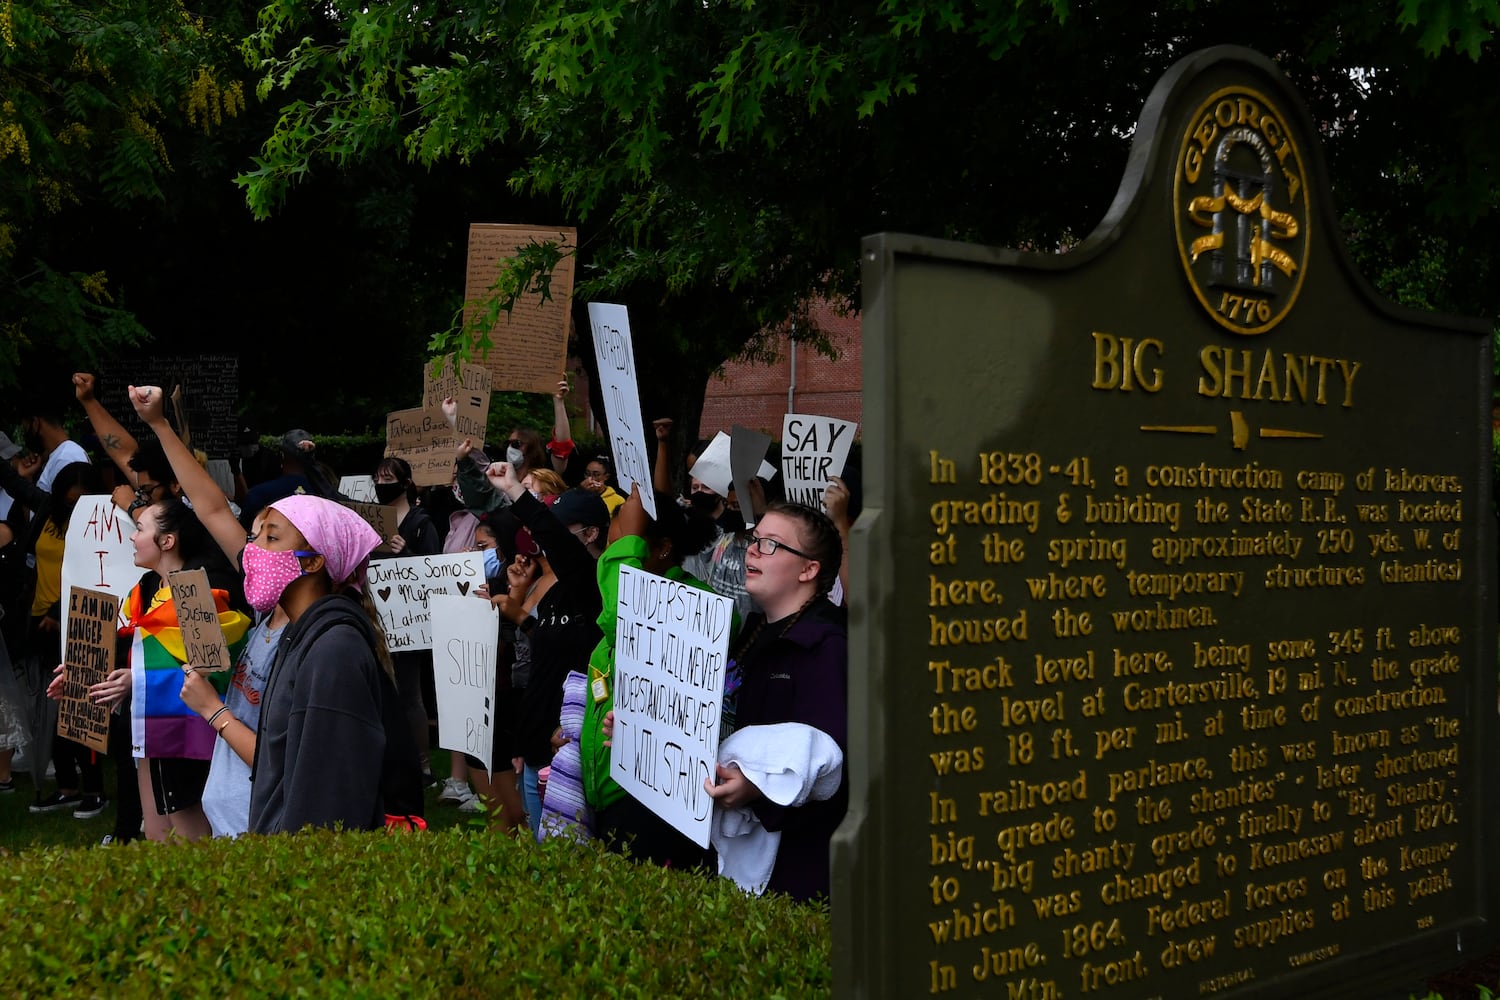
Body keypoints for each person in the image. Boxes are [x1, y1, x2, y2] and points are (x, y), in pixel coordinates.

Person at [128, 384, 420, 834]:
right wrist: (159, 424)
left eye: (271, 537)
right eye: (255, 534)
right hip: (239, 822)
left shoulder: (326, 648)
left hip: (272, 829)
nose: (254, 549)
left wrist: (214, 711)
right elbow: (208, 506)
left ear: (316, 561)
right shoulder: (276, 613)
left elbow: (291, 761)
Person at [703, 501, 847, 901]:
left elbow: (830, 767)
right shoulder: (750, 632)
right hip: (729, 855)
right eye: (755, 539)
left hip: (790, 877)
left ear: (808, 570)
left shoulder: (827, 648)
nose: (752, 549)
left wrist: (758, 787)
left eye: (771, 544)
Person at [581, 488, 726, 867]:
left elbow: (623, 623)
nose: (612, 555)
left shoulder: (697, 603)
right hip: (610, 795)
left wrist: (627, 540)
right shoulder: (619, 598)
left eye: (625, 546)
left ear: (661, 548)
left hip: (655, 801)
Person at [483, 464, 606, 839]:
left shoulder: (596, 586)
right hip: (536, 743)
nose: (546, 541)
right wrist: (521, 616)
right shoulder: (553, 587)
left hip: (566, 748)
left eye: (558, 533)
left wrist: (515, 493)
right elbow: (549, 649)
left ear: (589, 535)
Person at [371, 455, 441, 783]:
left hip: (409, 624)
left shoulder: (420, 523)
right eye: (379, 478)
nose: (383, 485)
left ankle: (422, 765)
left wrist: (406, 554)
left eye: (389, 479)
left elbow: (433, 570)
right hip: (377, 617)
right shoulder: (372, 520)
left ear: (406, 483)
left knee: (410, 692)